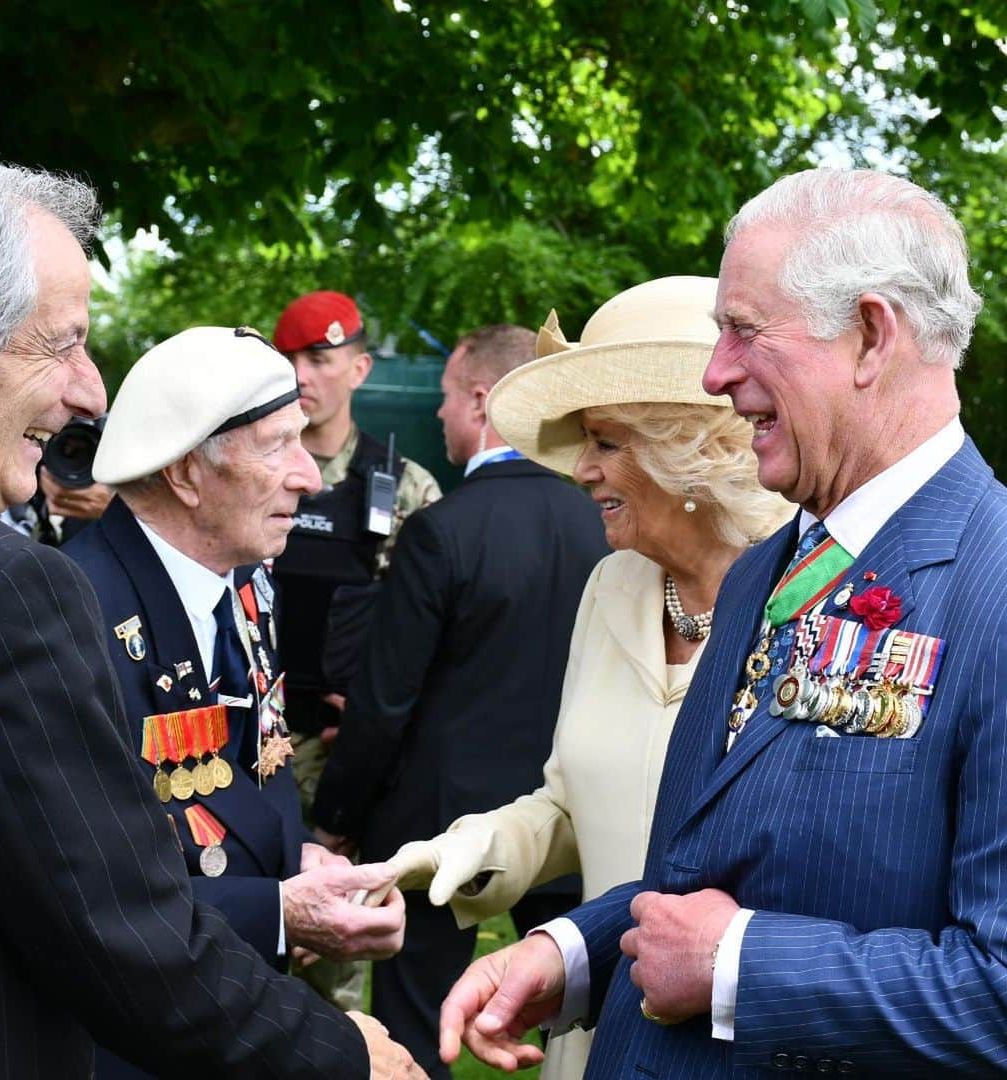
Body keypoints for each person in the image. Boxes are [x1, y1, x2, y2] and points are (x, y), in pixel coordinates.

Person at [439, 167, 1007, 1078]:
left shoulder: (995, 581)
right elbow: (694, 880)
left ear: (870, 335)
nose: (716, 375)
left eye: (744, 331)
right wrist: (572, 953)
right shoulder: (764, 574)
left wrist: (738, 967)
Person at [0, 150, 421, 1078]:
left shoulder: (243, 588)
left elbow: (246, 786)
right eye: (58, 342)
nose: (89, 392)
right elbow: (100, 913)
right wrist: (307, 972)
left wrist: (299, 875)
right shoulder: (38, 598)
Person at [388, 276, 790, 1080]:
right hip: (596, 1026)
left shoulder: (813, 599)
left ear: (691, 445)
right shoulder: (614, 586)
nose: (580, 472)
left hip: (737, 1045)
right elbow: (571, 802)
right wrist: (460, 850)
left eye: (605, 442)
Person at [63, 327, 410, 1077]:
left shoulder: (246, 577)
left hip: (229, 994)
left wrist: (304, 867)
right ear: (189, 472)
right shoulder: (74, 612)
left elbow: (256, 765)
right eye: (277, 445)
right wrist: (282, 911)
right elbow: (91, 893)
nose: (308, 477)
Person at [311, 323, 610, 1078]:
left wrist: (339, 819)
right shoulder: (601, 522)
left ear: (480, 401)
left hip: (444, 824)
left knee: (416, 1029)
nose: (440, 415)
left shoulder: (441, 529)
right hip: (574, 818)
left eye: (446, 397)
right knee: (589, 1022)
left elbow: (385, 701)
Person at [270, 289, 442, 1011]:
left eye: (319, 356)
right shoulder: (247, 469)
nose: (302, 374)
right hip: (250, 744)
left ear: (360, 368)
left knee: (330, 971)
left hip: (344, 756)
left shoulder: (402, 487)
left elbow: (425, 635)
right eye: (289, 359)